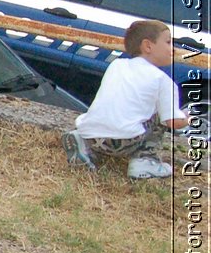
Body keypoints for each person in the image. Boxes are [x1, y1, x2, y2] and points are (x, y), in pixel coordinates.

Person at [64, 19, 186, 180]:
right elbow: (173, 122)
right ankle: (144, 160)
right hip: (124, 141)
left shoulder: (116, 65)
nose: (173, 49)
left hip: (91, 135)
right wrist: (187, 118)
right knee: (161, 112)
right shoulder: (163, 81)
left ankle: (82, 143)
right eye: (168, 42)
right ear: (148, 46)